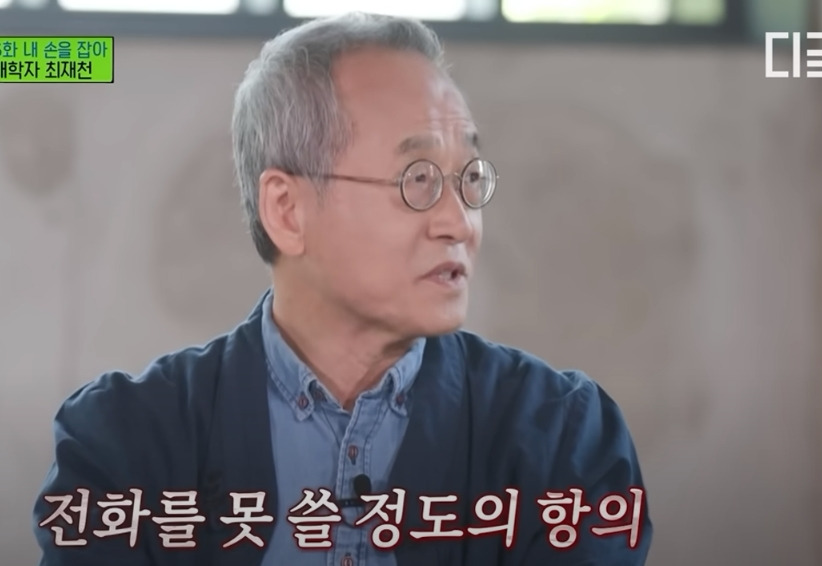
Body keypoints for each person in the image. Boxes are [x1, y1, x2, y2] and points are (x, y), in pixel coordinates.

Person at [32, 12, 652, 566]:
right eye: (417, 178)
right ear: (287, 210)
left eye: (468, 178)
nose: (459, 222)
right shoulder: (125, 445)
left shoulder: (563, 439)